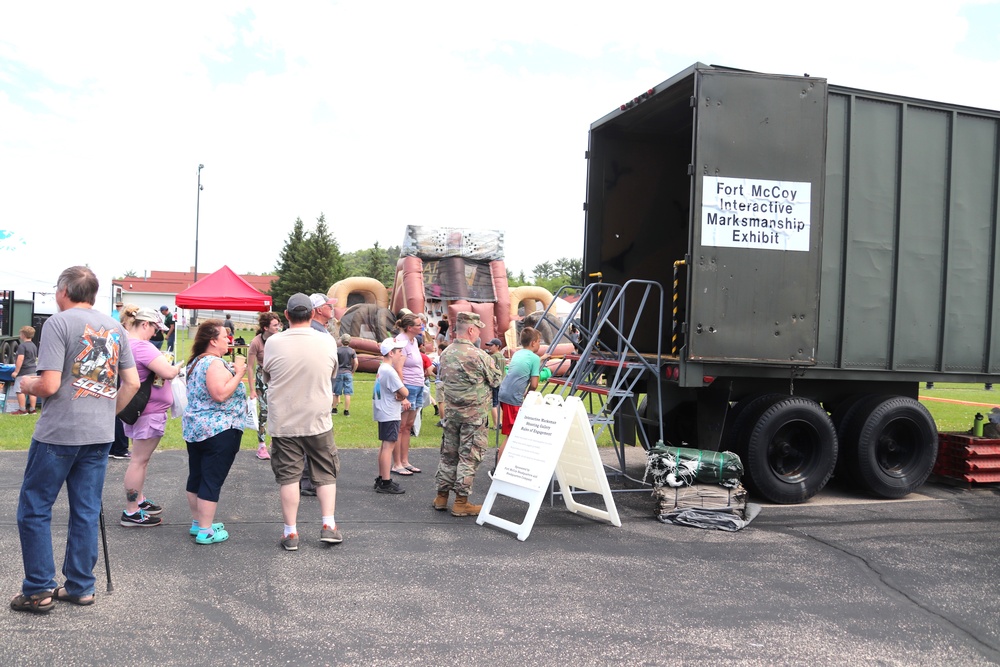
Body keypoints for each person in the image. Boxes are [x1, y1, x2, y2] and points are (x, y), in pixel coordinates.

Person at [10, 266, 139, 613]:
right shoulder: (114, 327)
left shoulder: (58, 323)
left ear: (65, 290)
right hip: (98, 435)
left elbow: (49, 384)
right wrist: (106, 415)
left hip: (60, 433)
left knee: (35, 507)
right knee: (86, 510)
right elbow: (133, 383)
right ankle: (81, 586)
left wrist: (27, 384)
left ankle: (38, 589)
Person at [264, 293, 342, 551]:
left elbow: (268, 376)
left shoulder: (274, 342)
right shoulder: (327, 340)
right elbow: (332, 372)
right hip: (317, 418)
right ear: (312, 314)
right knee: (325, 472)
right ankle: (328, 525)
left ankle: (291, 532)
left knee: (289, 477)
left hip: (284, 420)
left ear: (286, 315)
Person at [182, 320, 248, 545]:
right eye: (224, 337)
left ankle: (198, 522)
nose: (228, 340)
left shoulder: (196, 362)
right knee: (211, 479)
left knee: (197, 477)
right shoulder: (214, 363)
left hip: (197, 429)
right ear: (212, 341)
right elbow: (219, 394)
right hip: (218, 430)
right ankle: (206, 531)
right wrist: (239, 373)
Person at [118, 306, 183, 528]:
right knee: (139, 461)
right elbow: (168, 372)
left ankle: (138, 500)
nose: (156, 333)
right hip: (148, 412)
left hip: (137, 410)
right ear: (144, 324)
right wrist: (177, 367)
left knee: (140, 459)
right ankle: (131, 511)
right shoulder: (143, 347)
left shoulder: (126, 344)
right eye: (155, 327)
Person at [432, 312, 501, 517]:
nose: (479, 332)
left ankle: (441, 497)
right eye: (478, 328)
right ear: (471, 330)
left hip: (452, 414)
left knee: (449, 455)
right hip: (474, 417)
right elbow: (496, 380)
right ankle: (461, 503)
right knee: (468, 457)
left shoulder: (445, 353)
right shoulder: (480, 356)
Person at [300, 293, 339, 496]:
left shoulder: (319, 330)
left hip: (315, 391)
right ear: (316, 310)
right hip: (315, 392)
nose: (331, 309)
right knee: (314, 437)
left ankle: (306, 478)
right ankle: (307, 479)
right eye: (327, 306)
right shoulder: (318, 333)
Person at [496, 327, 548, 463]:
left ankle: (508, 461)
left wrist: (541, 359)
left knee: (514, 430)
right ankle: (501, 465)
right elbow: (535, 384)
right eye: (539, 342)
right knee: (513, 434)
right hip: (513, 398)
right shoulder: (534, 358)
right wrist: (528, 394)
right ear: (533, 343)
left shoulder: (518, 353)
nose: (539, 345)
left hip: (504, 393)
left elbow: (525, 364)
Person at [372, 337, 409, 494]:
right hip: (389, 412)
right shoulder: (390, 371)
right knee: (389, 446)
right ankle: (385, 482)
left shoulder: (382, 368)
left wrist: (399, 396)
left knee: (384, 446)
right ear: (391, 353)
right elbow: (404, 391)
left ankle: (382, 477)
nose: (401, 354)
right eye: (399, 351)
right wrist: (402, 395)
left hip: (383, 410)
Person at [390, 312, 425, 476]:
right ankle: (397, 463)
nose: (422, 327)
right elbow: (398, 368)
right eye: (419, 325)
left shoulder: (413, 341)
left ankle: (405, 461)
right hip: (408, 387)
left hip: (417, 386)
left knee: (408, 426)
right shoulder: (401, 342)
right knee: (401, 426)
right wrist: (402, 394)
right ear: (410, 327)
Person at [247, 311, 281, 461]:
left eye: (278, 324)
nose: (278, 327)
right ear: (266, 327)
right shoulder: (256, 342)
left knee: (278, 410)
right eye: (275, 325)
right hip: (262, 377)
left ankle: (276, 440)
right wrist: (252, 390)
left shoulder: (280, 339)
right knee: (264, 411)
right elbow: (249, 366)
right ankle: (261, 445)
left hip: (277, 376)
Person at [11, 326, 38, 415]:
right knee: (32, 390)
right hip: (33, 370)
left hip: (23, 371)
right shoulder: (34, 346)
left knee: (20, 390)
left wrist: (16, 372)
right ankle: (32, 409)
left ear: (23, 335)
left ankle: (22, 410)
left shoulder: (22, 346)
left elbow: (20, 359)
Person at [332, 334, 357, 416]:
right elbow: (356, 362)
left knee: (336, 392)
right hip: (348, 373)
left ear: (341, 341)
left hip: (339, 372)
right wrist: (353, 371)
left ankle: (334, 409)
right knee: (347, 393)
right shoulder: (352, 351)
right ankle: (346, 411)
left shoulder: (337, 350)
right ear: (349, 341)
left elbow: (334, 361)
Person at [484, 337, 505, 429]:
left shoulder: (493, 357)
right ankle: (500, 422)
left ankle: (496, 424)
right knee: (499, 403)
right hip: (503, 381)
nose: (489, 347)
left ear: (497, 346)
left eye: (491, 345)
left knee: (494, 403)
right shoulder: (502, 356)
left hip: (495, 382)